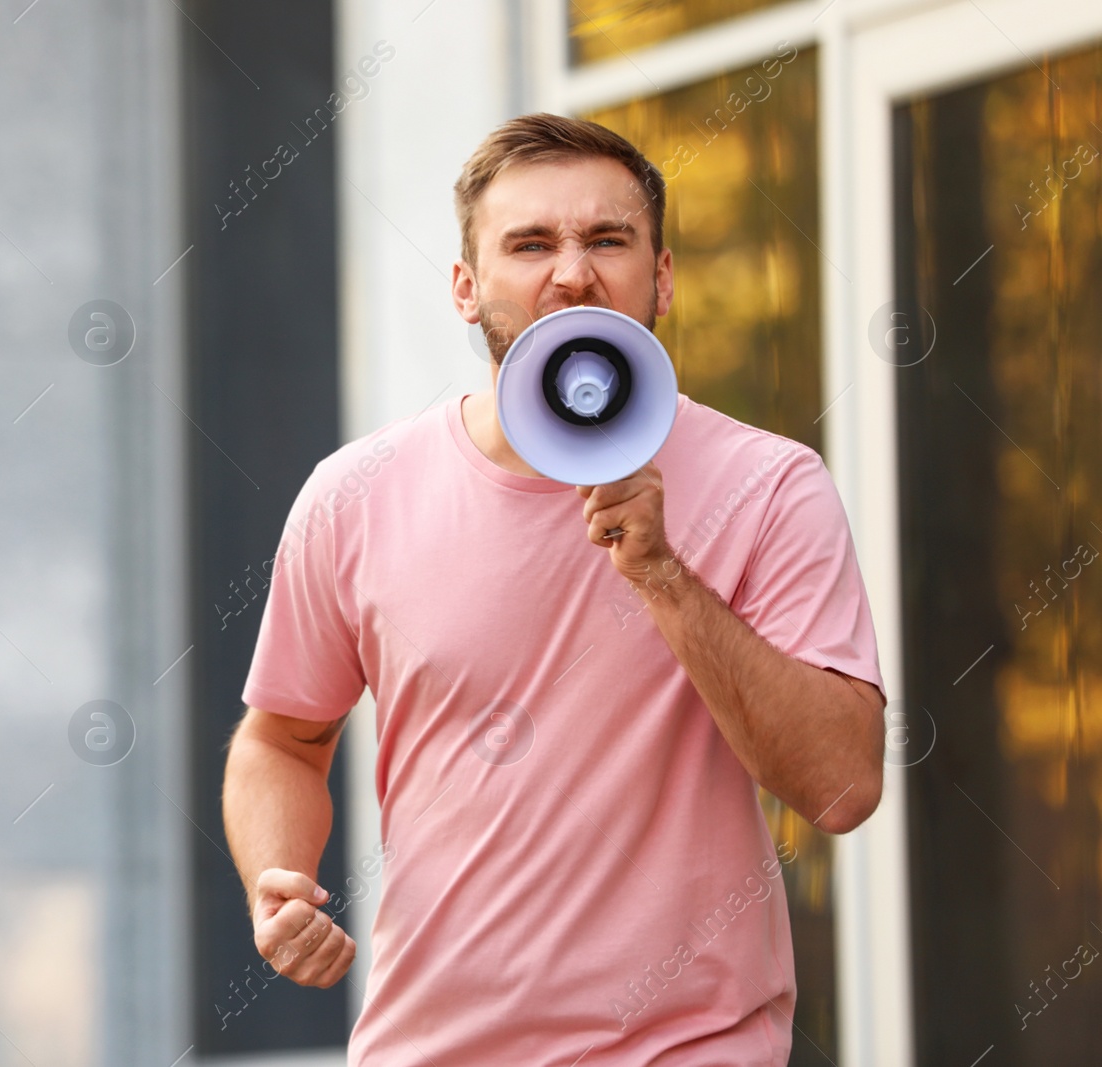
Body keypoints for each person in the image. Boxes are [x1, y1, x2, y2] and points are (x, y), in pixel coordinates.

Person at [221, 113, 886, 1066]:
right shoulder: (353, 496)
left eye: (607, 240)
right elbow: (282, 737)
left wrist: (662, 574)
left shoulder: (771, 485)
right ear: (466, 286)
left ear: (661, 278)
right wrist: (275, 883)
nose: (572, 272)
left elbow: (843, 786)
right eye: (530, 243)